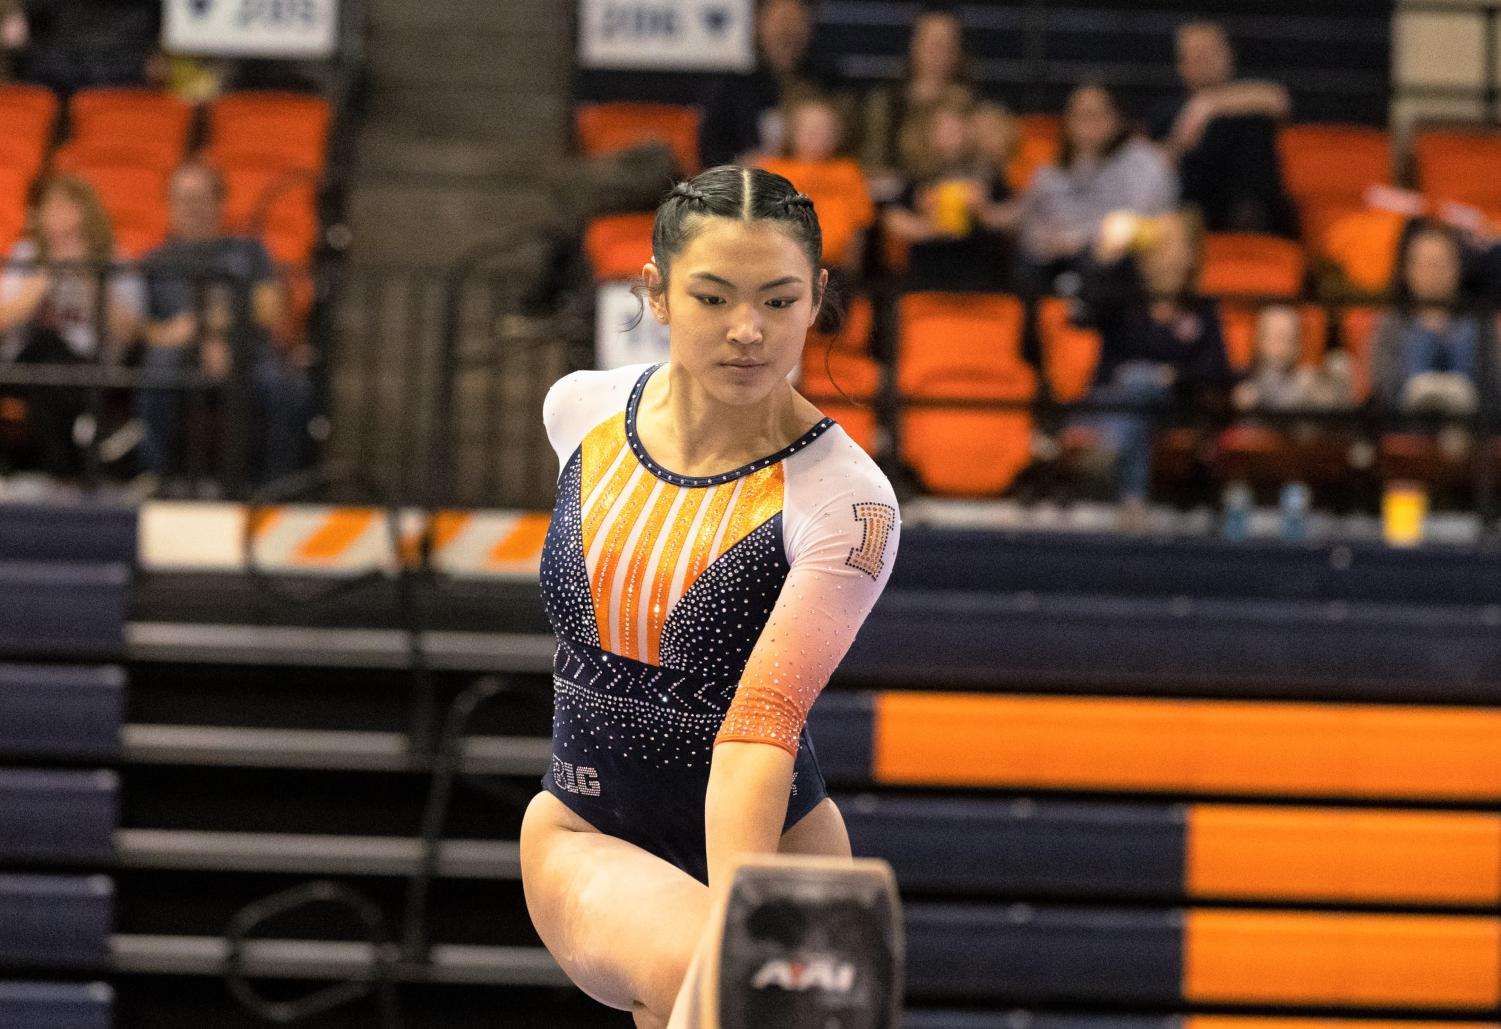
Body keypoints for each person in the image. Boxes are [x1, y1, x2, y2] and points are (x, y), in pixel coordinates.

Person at [520, 166, 901, 1029]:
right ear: (654, 291)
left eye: (777, 301)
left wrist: (751, 935)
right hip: (589, 831)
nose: (747, 331)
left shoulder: (845, 500)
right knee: (720, 977)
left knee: (738, 989)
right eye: (713, 296)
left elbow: (756, 737)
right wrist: (740, 970)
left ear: (816, 300)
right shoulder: (578, 411)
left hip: (777, 844)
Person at [136, 162, 314, 491]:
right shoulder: (154, 261)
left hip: (247, 353)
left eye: (199, 199)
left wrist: (208, 325)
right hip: (177, 354)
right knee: (158, 367)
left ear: (220, 203)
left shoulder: (249, 252)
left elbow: (270, 307)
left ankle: (274, 490)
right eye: (182, 199)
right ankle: (159, 479)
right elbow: (140, 328)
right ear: (169, 205)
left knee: (290, 389)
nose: (190, 209)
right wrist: (176, 337)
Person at [1070, 209, 1235, 522]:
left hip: (1175, 408)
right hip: (1112, 403)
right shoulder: (1123, 300)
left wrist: (1171, 377)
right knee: (1133, 390)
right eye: (1159, 245)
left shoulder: (1202, 310)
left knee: (1139, 381)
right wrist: (1105, 259)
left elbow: (1217, 371)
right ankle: (1131, 498)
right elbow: (1080, 315)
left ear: (1191, 255)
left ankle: (1117, 468)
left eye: (1174, 246)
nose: (1165, 256)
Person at [0, 175, 143, 476]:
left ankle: (47, 470)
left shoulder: (115, 260)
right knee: (43, 345)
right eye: (53, 209)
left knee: (52, 360)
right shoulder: (25, 257)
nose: (60, 220)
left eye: (69, 209)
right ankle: (77, 451)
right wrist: (41, 282)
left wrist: (87, 276)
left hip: (89, 366)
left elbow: (128, 333)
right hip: (24, 362)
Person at [1019, 84, 1178, 290]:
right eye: (1079, 115)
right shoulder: (1051, 171)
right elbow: (1032, 223)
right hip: (1057, 257)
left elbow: (1141, 219)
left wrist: (1082, 240)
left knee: (1104, 262)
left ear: (1117, 118)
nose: (1087, 124)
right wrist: (1047, 241)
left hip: (1121, 258)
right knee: (1027, 265)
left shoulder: (1144, 161)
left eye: (1095, 114)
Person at [1147, 21, 1293, 235]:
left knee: (1254, 128)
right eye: (1195, 55)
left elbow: (1279, 100)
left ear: (1228, 55)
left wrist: (1207, 105)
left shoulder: (1252, 99)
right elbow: (1155, 166)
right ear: (1181, 63)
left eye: (1210, 53)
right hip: (1192, 206)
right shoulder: (1165, 110)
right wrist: (1180, 142)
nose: (1203, 62)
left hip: (1255, 208)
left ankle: (1248, 224)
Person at [882, 91, 1016, 291]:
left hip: (979, 273)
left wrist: (984, 210)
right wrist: (927, 226)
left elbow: (1013, 216)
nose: (952, 135)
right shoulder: (920, 175)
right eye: (943, 129)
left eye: (957, 127)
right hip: (928, 273)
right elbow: (892, 219)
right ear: (928, 134)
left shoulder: (987, 173)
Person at [1371, 221, 1499, 419]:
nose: (1433, 274)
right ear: (1407, 270)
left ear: (1458, 267)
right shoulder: (1391, 323)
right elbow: (1386, 391)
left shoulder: (1480, 320)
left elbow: (1493, 387)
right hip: (1406, 426)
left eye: (1441, 264)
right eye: (1425, 264)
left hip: (1472, 430)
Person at [699, 0, 836, 168]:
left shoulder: (827, 84)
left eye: (795, 20)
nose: (787, 31)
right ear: (758, 24)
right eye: (779, 20)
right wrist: (739, 166)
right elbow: (712, 152)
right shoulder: (733, 86)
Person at [757, 94, 875, 274]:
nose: (818, 134)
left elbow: (859, 224)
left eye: (825, 129)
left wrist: (853, 271)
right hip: (784, 264)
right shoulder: (773, 170)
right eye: (810, 128)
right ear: (792, 132)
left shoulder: (848, 172)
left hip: (835, 266)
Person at [861, 6, 974, 186]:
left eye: (947, 43)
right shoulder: (887, 101)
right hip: (900, 197)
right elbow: (874, 162)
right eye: (932, 42)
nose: (938, 52)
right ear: (913, 44)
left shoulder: (973, 104)